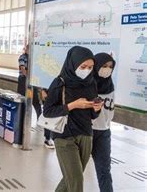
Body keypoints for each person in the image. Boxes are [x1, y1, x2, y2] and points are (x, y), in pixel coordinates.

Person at [43, 46, 102, 192]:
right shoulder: (59, 83)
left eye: (90, 67)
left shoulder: (91, 83)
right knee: (76, 182)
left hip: (86, 135)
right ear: (73, 63)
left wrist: (96, 109)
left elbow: (93, 114)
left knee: (71, 179)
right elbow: (48, 111)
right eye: (83, 66)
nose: (87, 70)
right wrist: (72, 105)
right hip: (64, 136)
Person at [18, 44, 54, 148]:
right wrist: (33, 77)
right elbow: (23, 70)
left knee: (40, 109)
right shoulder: (23, 57)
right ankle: (21, 132)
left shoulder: (40, 58)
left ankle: (48, 137)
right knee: (23, 107)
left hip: (38, 85)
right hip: (25, 84)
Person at [91, 53, 116, 192]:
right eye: (104, 66)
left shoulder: (110, 85)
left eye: (110, 67)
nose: (107, 69)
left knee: (104, 170)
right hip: (86, 131)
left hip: (104, 132)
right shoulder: (87, 84)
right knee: (76, 172)